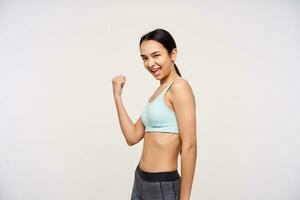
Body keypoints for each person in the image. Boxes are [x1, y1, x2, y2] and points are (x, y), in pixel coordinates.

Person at [112, 28, 197, 200]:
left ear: (172, 54)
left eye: (156, 55)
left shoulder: (179, 87)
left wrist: (185, 199)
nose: (150, 63)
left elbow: (189, 147)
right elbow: (132, 137)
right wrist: (117, 96)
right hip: (140, 180)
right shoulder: (158, 92)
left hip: (162, 185)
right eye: (145, 58)